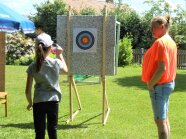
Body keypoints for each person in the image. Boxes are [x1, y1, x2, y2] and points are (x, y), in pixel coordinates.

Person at [25, 28, 68, 139]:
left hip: (38, 102)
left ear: (36, 48)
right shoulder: (56, 63)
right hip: (53, 101)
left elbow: (27, 91)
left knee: (39, 133)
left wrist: (30, 103)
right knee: (52, 131)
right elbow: (66, 70)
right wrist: (60, 54)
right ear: (50, 48)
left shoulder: (32, 66)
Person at [142, 15, 177, 139]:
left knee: (160, 121)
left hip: (160, 86)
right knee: (164, 119)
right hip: (167, 84)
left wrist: (151, 84)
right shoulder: (170, 41)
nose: (151, 30)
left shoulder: (161, 42)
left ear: (162, 27)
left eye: (154, 27)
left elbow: (162, 68)